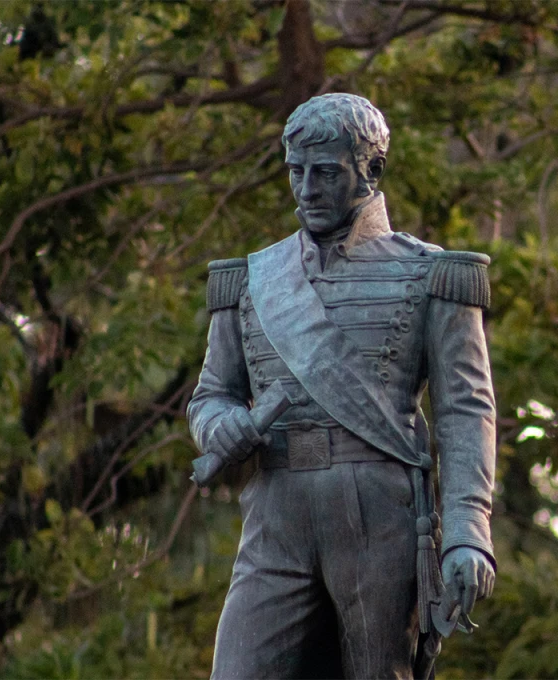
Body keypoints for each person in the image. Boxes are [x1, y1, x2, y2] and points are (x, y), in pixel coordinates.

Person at [186, 93, 496, 680]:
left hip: (378, 512)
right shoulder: (252, 279)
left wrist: (467, 534)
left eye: (325, 172)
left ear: (370, 169)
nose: (306, 189)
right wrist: (220, 426)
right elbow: (211, 395)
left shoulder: (432, 275)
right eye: (295, 172)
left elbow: (465, 410)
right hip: (276, 511)